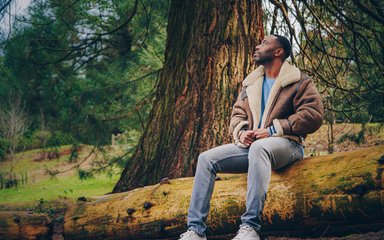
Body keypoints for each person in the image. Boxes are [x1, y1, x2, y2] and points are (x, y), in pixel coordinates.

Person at [178, 34, 324, 240]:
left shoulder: (299, 81)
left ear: (278, 51)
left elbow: (313, 115)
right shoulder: (252, 83)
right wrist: (242, 131)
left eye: (264, 43)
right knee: (206, 159)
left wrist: (274, 130)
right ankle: (195, 231)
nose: (257, 46)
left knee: (259, 148)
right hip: (253, 147)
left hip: (289, 145)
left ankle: (251, 228)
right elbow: (237, 114)